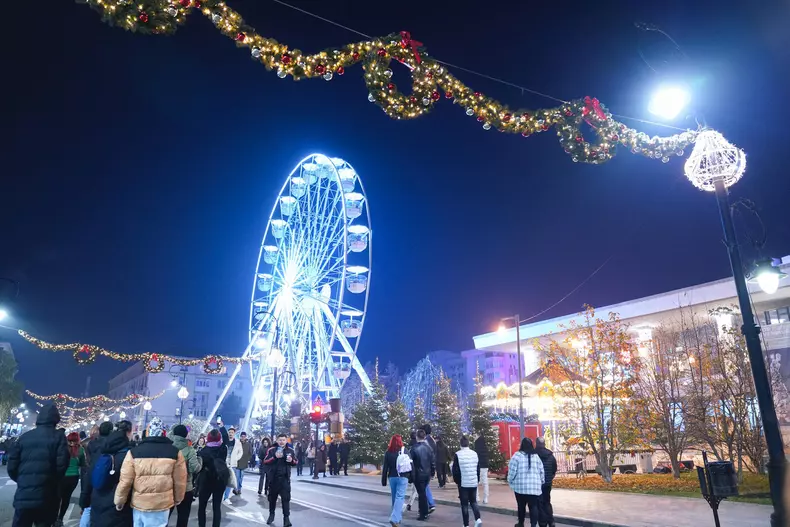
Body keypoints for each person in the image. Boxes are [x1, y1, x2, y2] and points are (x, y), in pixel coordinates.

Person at [113, 424, 187, 527]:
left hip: (139, 504)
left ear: (148, 433)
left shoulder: (134, 452)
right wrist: (178, 498)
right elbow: (180, 480)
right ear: (163, 433)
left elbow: (125, 480)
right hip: (162, 504)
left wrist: (119, 500)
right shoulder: (175, 452)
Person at [9, 404, 70, 527]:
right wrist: (51, 480)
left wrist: (22, 480)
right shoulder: (58, 437)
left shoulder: (24, 437)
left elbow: (12, 466)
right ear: (55, 419)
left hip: (24, 494)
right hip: (47, 495)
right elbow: (62, 465)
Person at [89, 420, 134, 527]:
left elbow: (90, 475)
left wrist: (85, 498)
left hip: (97, 500)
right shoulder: (128, 456)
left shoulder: (101, 452)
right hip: (117, 506)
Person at [80, 421, 114, 527]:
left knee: (87, 508)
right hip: (104, 476)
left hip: (89, 473)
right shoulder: (111, 445)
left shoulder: (90, 444)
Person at [507, 438, 545, 527]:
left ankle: (521, 523)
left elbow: (512, 471)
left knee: (521, 506)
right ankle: (533, 525)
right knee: (533, 507)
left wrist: (510, 480)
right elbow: (541, 471)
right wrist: (542, 481)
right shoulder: (536, 457)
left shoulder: (516, 456)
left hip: (520, 487)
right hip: (534, 488)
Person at [169, 424, 202, 527]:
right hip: (185, 488)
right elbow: (194, 468)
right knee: (183, 517)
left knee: (165, 517)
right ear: (186, 435)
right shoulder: (189, 449)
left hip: (168, 487)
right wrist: (200, 461)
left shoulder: (168, 448)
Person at [195, 429, 228, 527]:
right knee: (217, 507)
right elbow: (225, 440)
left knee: (202, 506)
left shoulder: (203, 451)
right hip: (220, 480)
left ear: (208, 438)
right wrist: (222, 428)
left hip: (206, 481)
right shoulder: (223, 449)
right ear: (219, 438)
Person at [263, 433, 297, 526]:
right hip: (273, 479)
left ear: (286, 441)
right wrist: (274, 457)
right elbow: (265, 461)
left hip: (285, 479)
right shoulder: (272, 450)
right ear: (277, 440)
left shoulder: (290, 450)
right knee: (272, 498)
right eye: (280, 440)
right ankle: (271, 514)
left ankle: (286, 519)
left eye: (283, 440)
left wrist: (291, 461)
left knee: (286, 499)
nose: (282, 442)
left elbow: (295, 462)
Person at [452, 436, 482, 527]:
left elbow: (455, 470)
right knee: (473, 501)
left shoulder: (458, 454)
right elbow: (478, 468)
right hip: (473, 482)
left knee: (464, 504)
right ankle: (478, 519)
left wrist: (457, 481)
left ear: (460, 444)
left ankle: (466, 524)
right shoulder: (474, 453)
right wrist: (477, 479)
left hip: (463, 483)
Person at [58, 432, 86, 526]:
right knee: (66, 498)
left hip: (62, 476)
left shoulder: (63, 448)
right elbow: (83, 464)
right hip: (73, 476)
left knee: (57, 497)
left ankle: (53, 518)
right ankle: (60, 519)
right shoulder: (81, 450)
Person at [381, 434, 410, 527]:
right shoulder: (405, 451)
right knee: (400, 497)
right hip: (403, 477)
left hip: (392, 477)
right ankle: (395, 519)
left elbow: (385, 467)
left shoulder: (388, 452)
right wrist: (412, 477)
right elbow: (411, 464)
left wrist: (384, 480)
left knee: (395, 497)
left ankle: (397, 517)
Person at [410, 429, 435, 521]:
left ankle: (423, 513)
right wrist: (432, 473)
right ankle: (423, 512)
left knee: (422, 494)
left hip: (418, 474)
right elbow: (432, 462)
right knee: (423, 492)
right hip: (427, 474)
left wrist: (411, 476)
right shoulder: (429, 448)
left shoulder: (414, 448)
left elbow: (410, 462)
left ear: (417, 437)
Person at [534, 437, 557, 527]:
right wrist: (550, 478)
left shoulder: (534, 455)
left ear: (536, 444)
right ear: (544, 444)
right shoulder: (550, 455)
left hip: (537, 484)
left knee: (539, 504)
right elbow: (554, 469)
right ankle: (551, 521)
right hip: (548, 483)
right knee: (547, 502)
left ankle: (543, 523)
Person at [221, 427, 241, 504]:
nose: (230, 434)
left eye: (232, 433)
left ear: (234, 434)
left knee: (230, 481)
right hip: (223, 463)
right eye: (229, 432)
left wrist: (236, 458)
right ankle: (220, 495)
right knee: (221, 481)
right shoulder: (224, 442)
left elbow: (240, 452)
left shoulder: (237, 442)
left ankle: (226, 497)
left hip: (232, 464)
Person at [420, 425, 437, 511]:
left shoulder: (426, 441)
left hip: (425, 467)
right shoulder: (432, 440)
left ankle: (429, 504)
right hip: (429, 466)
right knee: (425, 486)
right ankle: (429, 504)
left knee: (423, 487)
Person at [231, 432, 252, 497]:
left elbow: (250, 453)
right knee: (237, 477)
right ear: (240, 437)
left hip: (244, 463)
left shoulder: (248, 444)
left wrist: (248, 459)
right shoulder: (237, 443)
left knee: (241, 477)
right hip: (237, 463)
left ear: (246, 437)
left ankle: (239, 488)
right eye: (242, 436)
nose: (243, 438)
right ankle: (236, 489)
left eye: (244, 436)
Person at [474, 434, 490, 504]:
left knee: (476, 482)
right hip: (485, 466)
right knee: (485, 482)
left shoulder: (476, 447)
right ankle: (485, 498)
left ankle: (477, 497)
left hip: (477, 466)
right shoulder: (485, 448)